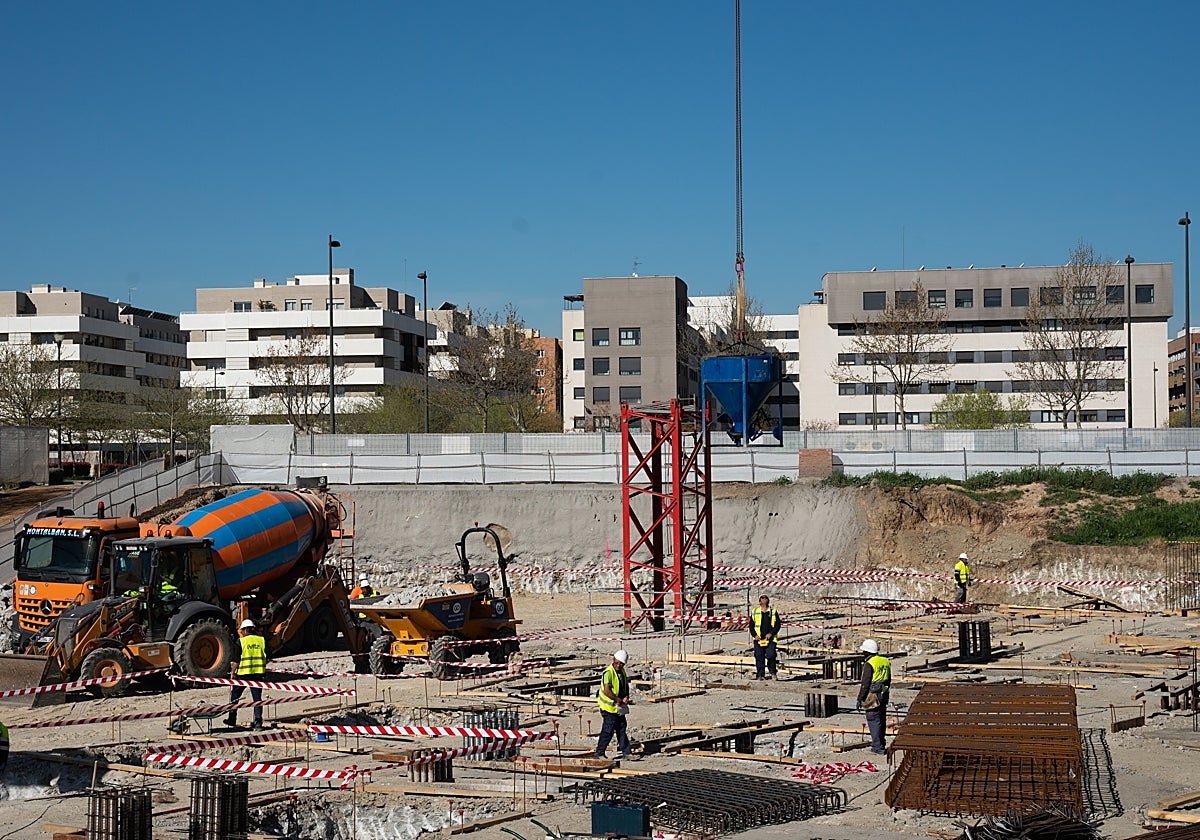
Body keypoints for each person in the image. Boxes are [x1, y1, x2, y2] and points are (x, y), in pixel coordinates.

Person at [225, 619, 267, 729]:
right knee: (257, 699)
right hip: (258, 674)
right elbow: (267, 656)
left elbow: (236, 660)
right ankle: (258, 722)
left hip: (243, 674)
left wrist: (232, 673)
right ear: (253, 629)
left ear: (244, 630)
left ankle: (232, 719)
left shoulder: (241, 642)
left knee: (235, 697)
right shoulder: (261, 640)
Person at [594, 649, 634, 760]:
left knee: (621, 729)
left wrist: (625, 697)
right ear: (613, 660)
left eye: (621, 664)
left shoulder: (622, 672)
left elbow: (622, 686)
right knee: (608, 730)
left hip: (618, 707)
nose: (619, 665)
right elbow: (607, 690)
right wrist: (618, 700)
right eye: (617, 663)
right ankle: (599, 753)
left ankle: (627, 752)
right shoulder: (608, 672)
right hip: (609, 708)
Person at [856, 639, 891, 756]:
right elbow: (889, 680)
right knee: (881, 720)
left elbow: (865, 683)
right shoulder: (885, 661)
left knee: (873, 721)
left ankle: (878, 747)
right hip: (883, 695)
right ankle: (881, 744)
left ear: (867, 652)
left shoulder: (869, 663)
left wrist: (860, 698)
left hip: (873, 696)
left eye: (864, 651)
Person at [750, 594, 782, 680]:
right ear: (759, 602)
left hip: (770, 639)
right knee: (759, 656)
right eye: (762, 599)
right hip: (759, 639)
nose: (764, 600)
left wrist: (771, 633)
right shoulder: (755, 611)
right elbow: (751, 625)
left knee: (771, 655)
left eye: (765, 598)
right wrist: (754, 635)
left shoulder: (773, 612)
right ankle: (760, 675)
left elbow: (777, 625)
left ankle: (772, 672)